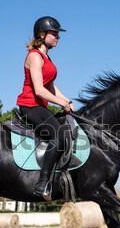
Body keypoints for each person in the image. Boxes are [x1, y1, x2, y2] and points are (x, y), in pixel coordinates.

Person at [16, 16, 75, 199]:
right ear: (42, 34)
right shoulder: (34, 56)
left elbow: (50, 86)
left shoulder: (46, 58)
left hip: (40, 107)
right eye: (54, 33)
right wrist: (62, 103)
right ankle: (42, 185)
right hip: (30, 105)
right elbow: (40, 90)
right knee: (57, 136)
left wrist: (68, 101)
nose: (58, 36)